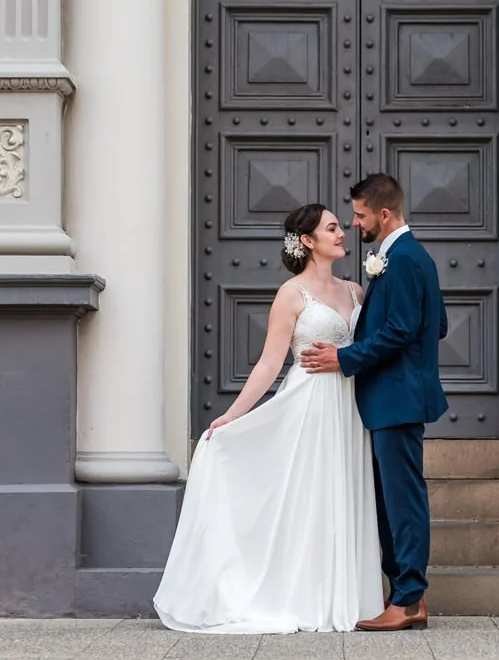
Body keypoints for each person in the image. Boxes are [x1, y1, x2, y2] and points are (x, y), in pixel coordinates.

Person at [152, 203, 383, 633]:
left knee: (343, 492)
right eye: (331, 228)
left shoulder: (355, 291)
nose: (341, 234)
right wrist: (232, 416)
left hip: (350, 405)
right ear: (308, 241)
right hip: (309, 406)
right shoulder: (291, 295)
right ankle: (302, 595)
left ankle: (344, 598)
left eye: (339, 227)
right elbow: (268, 363)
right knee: (310, 498)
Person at [298, 172, 448, 632]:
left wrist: (346, 357)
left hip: (397, 398)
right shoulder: (405, 256)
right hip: (396, 394)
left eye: (361, 215)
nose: (355, 223)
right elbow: (436, 324)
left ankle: (407, 600)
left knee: (401, 502)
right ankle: (405, 597)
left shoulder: (401, 259)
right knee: (393, 500)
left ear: (383, 214)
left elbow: (403, 330)